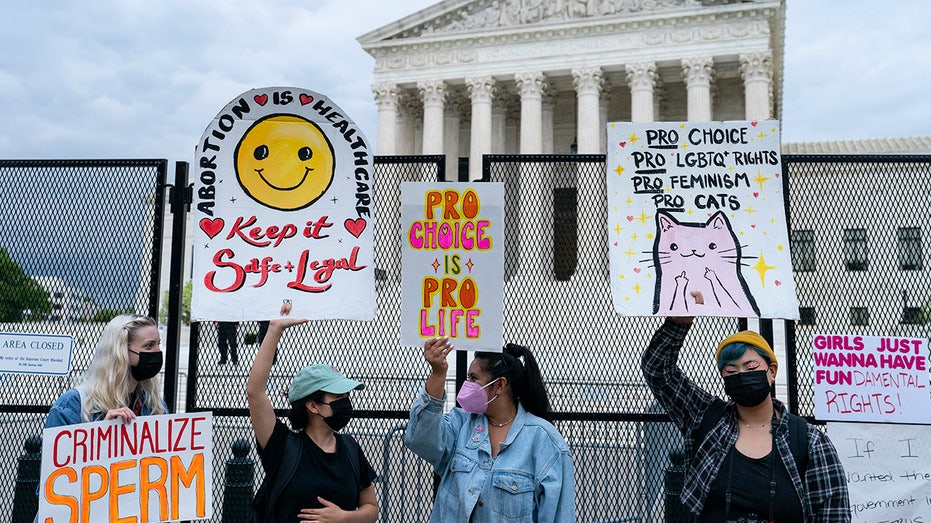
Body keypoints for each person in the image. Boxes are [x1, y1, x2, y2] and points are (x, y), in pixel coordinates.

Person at [641, 291, 850, 522]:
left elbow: (833, 515)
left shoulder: (809, 442)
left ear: (771, 372)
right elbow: (658, 371)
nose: (741, 375)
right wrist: (678, 324)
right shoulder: (707, 418)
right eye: (731, 371)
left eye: (751, 368)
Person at [405, 338, 576, 522]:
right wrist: (438, 373)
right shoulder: (460, 423)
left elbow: (560, 515)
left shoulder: (546, 442)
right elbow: (421, 439)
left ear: (500, 385)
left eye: (473, 378)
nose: (467, 384)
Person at [246, 317, 378, 523]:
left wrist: (343, 517)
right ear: (312, 405)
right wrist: (274, 330)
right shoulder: (282, 446)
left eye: (346, 396)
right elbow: (255, 392)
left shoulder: (351, 448)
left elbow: (371, 509)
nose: (345, 402)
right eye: (337, 397)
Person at [46, 314, 167, 427]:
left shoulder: (154, 405)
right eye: (149, 345)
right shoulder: (72, 406)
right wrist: (103, 434)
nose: (158, 351)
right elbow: (56, 449)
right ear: (122, 351)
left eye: (158, 344)